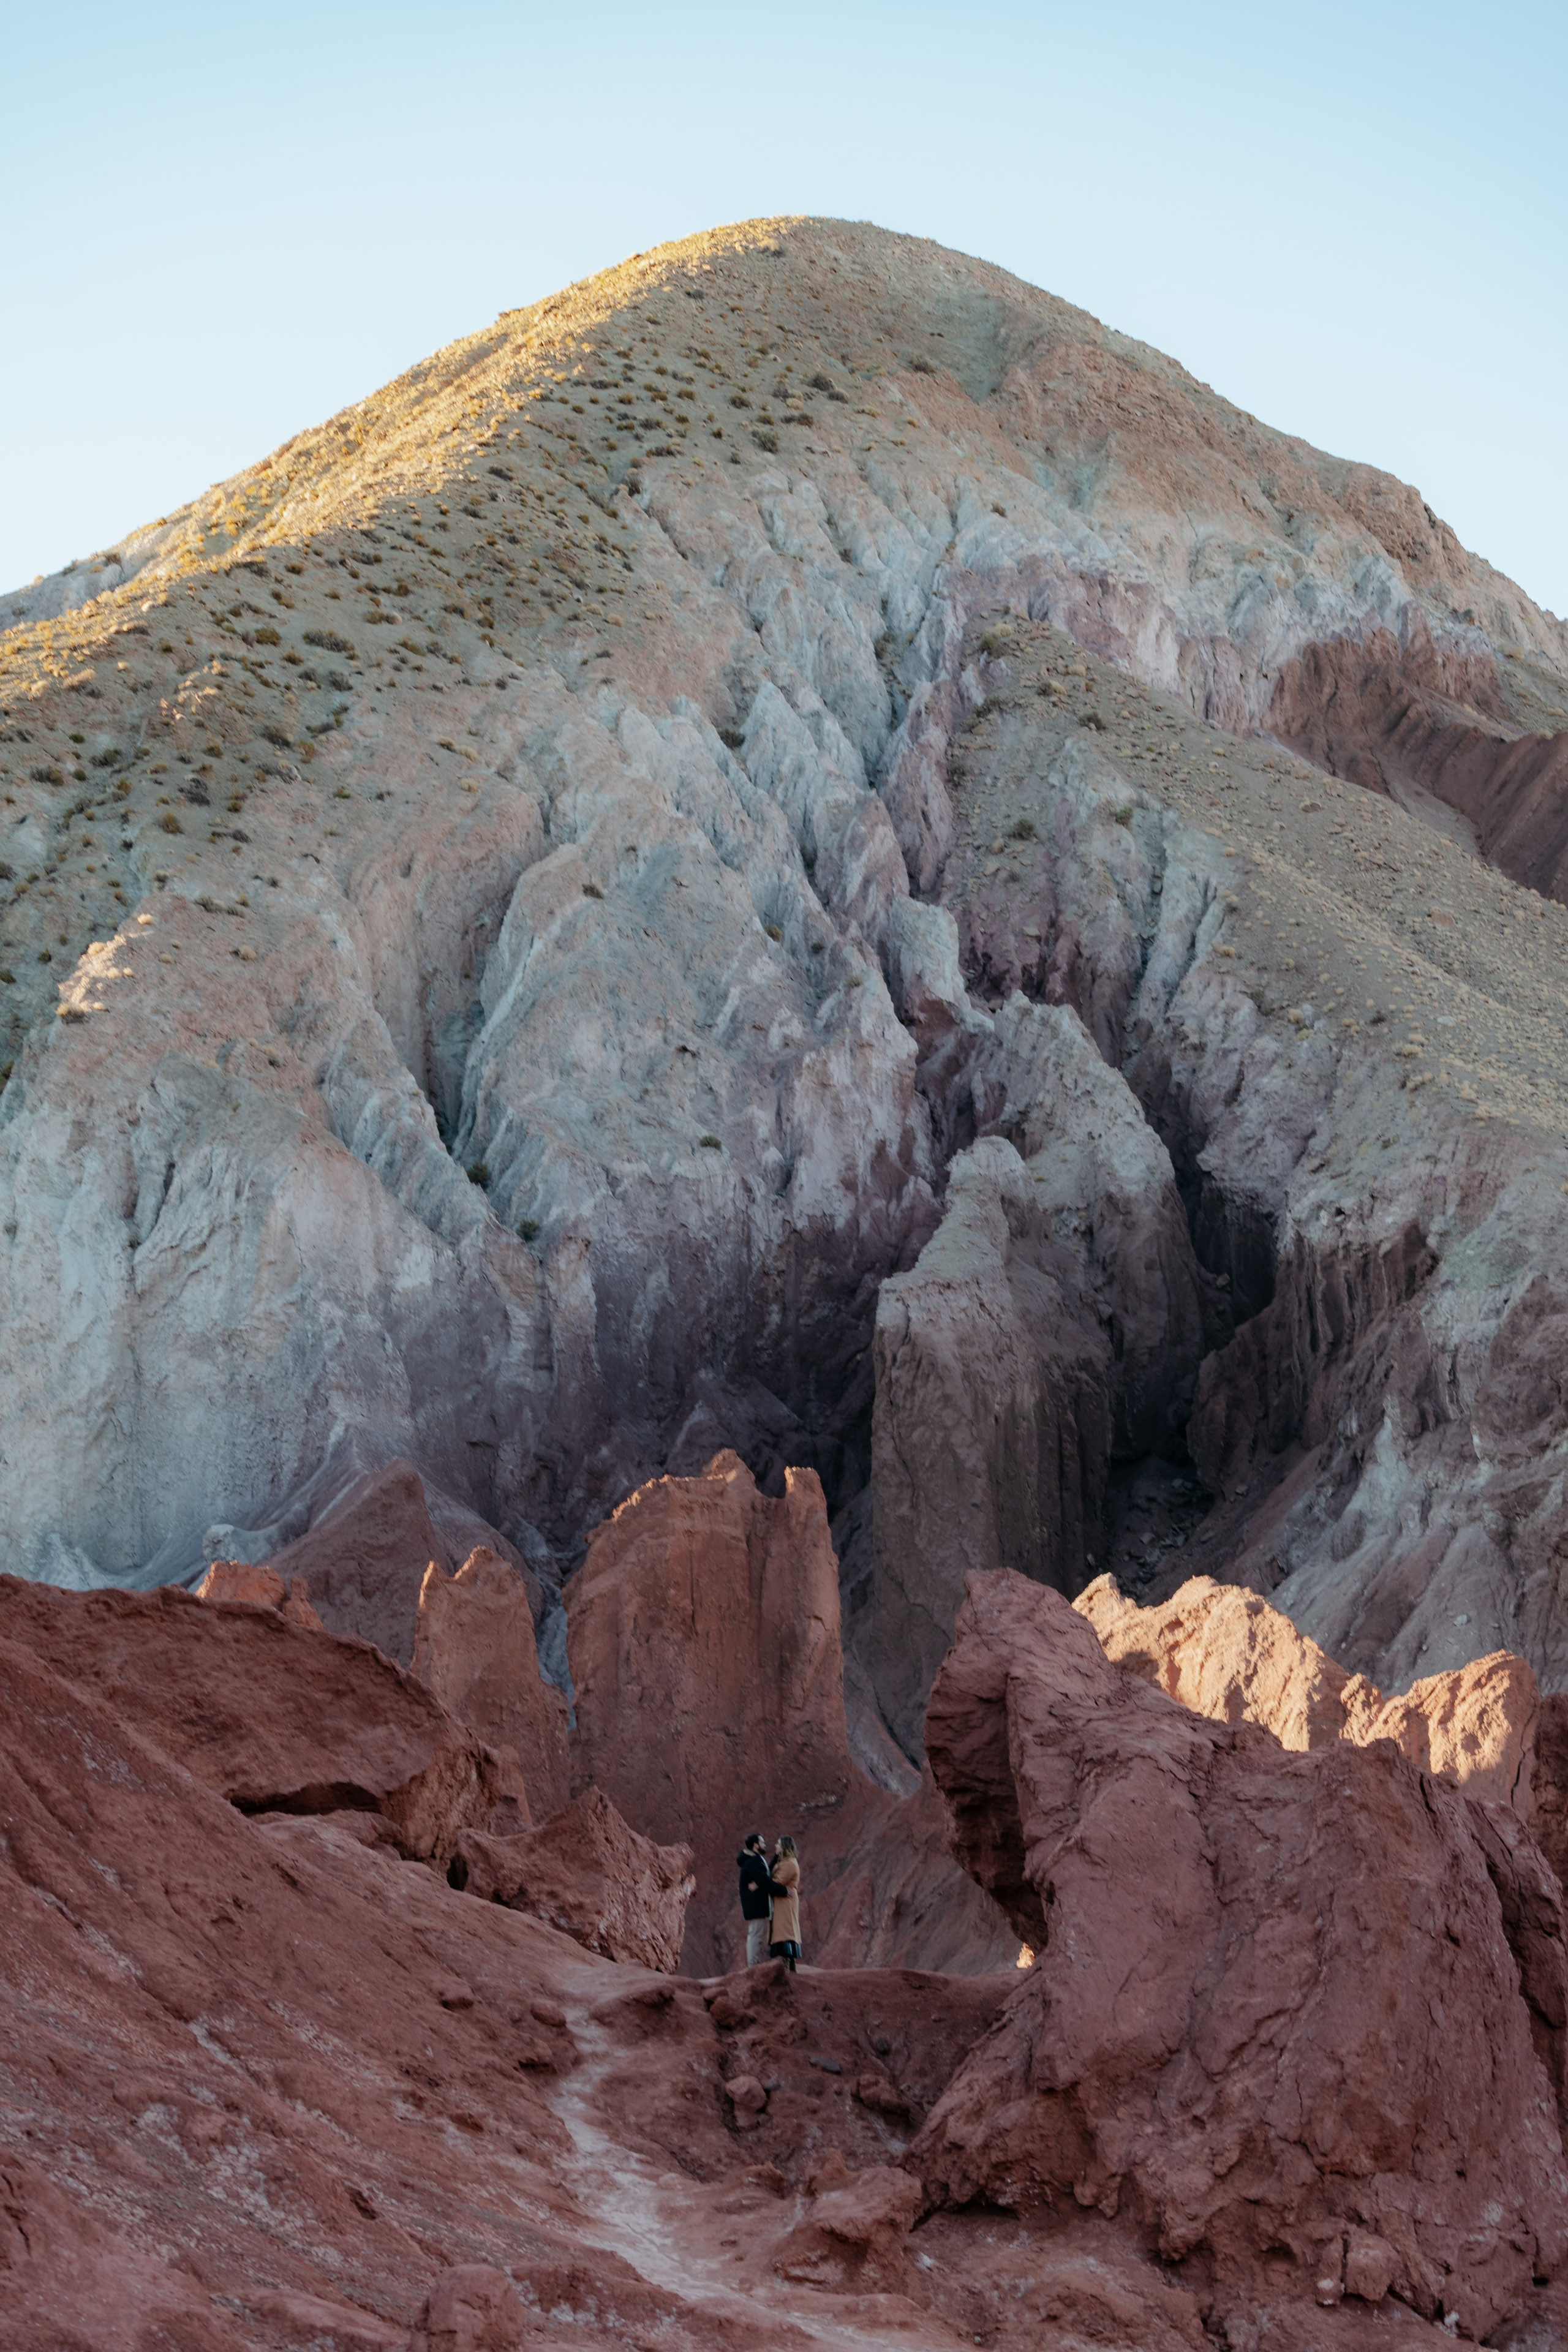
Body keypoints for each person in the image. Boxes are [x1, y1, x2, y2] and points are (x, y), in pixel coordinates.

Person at [736, 1831, 779, 1967]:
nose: (765, 1844)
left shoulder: (755, 1858)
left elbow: (764, 1875)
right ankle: (752, 1965)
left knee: (755, 1933)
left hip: (756, 1904)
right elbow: (765, 1880)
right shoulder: (753, 1861)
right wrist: (784, 1891)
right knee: (755, 1934)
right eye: (762, 1842)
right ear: (756, 1845)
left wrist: (777, 1857)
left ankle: (752, 1964)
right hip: (755, 1904)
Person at [768, 1834, 802, 1972]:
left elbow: (775, 1882)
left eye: (778, 1844)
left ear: (785, 1847)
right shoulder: (784, 1861)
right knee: (785, 1930)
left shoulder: (789, 1864)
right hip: (783, 1901)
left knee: (786, 1931)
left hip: (786, 1902)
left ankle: (788, 1964)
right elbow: (770, 1875)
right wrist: (776, 1857)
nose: (776, 1846)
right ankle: (788, 1963)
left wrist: (764, 1883)